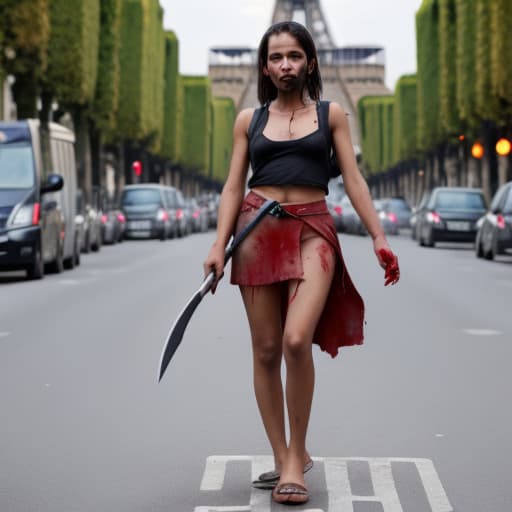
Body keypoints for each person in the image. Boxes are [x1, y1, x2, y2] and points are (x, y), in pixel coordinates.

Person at [203, 21, 399, 505]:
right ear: (265, 66)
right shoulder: (247, 119)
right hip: (256, 230)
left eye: (294, 56)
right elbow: (233, 186)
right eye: (276, 57)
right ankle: (285, 456)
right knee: (266, 349)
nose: (285, 64)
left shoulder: (332, 116)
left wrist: (378, 236)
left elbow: (354, 181)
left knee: (295, 340)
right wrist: (217, 245)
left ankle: (298, 453)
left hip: (313, 230)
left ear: (310, 61)